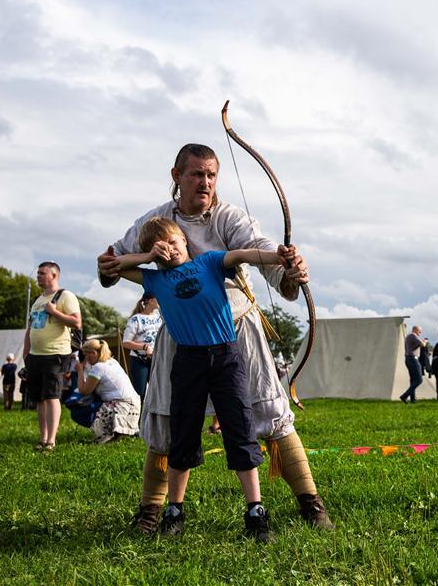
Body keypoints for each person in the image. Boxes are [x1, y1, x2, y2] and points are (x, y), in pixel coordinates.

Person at [97, 143, 332, 533]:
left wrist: (288, 267)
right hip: (181, 334)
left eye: (211, 175)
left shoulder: (229, 217)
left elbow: (258, 250)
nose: (205, 182)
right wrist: (108, 266)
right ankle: (154, 510)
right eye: (196, 174)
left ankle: (310, 501)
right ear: (177, 176)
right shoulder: (153, 222)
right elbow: (113, 262)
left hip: (235, 327)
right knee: (167, 419)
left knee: (268, 414)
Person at [111, 216, 297, 541]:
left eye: (173, 241)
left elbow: (241, 255)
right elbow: (115, 267)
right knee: (182, 434)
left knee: (239, 429)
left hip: (226, 357)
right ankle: (174, 510)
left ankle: (255, 511)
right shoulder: (154, 281)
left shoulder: (209, 262)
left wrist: (277, 256)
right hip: (188, 362)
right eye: (161, 247)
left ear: (185, 240)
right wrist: (148, 257)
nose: (169, 249)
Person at [23, 261, 82, 452]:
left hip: (55, 353)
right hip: (35, 355)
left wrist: (54, 312)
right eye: (38, 273)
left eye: (42, 273)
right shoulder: (39, 299)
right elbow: (31, 327)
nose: (38, 276)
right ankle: (42, 438)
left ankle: (51, 440)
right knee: (39, 398)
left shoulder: (65, 296)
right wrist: (26, 351)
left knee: (51, 396)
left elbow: (76, 322)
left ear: (54, 275)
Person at [76, 339, 142, 444]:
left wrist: (80, 371)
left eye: (87, 355)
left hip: (122, 405)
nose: (86, 359)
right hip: (134, 404)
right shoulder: (112, 361)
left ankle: (105, 435)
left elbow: (84, 391)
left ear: (93, 353)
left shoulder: (98, 367)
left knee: (81, 408)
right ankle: (121, 432)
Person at [122, 294, 162, 400]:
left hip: (156, 359)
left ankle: (154, 416)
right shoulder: (136, 319)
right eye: (157, 298)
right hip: (139, 360)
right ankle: (138, 416)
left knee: (159, 393)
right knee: (140, 393)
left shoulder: (159, 317)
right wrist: (145, 347)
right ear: (150, 301)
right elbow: (125, 342)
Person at [400, 326, 425, 403]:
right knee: (419, 380)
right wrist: (425, 341)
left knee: (413, 380)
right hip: (413, 359)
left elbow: (416, 346)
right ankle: (404, 396)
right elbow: (422, 344)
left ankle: (412, 399)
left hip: (408, 358)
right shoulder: (413, 335)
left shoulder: (409, 336)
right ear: (415, 329)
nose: (419, 334)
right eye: (419, 331)